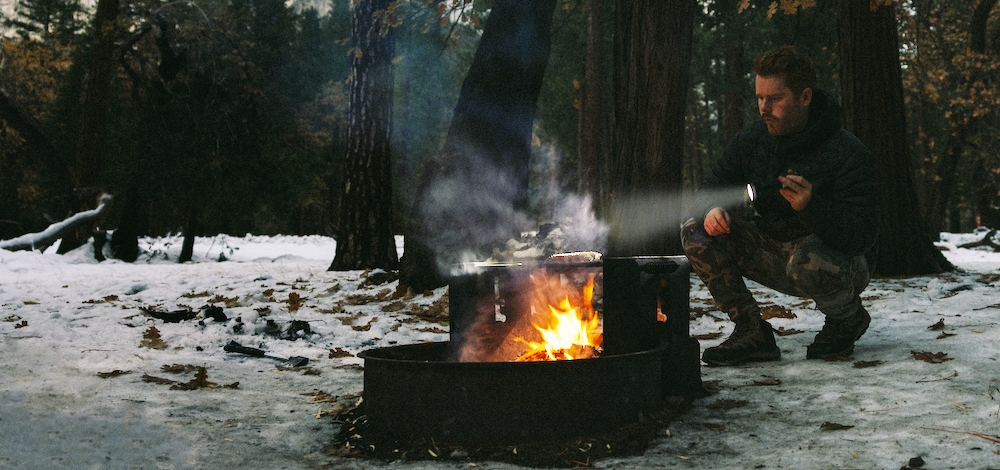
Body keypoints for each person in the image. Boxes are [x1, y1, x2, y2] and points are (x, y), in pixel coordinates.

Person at [681, 46, 879, 366]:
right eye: (759, 98)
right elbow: (710, 189)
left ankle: (846, 319)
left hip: (839, 263)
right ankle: (751, 330)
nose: (764, 107)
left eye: (775, 99)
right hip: (776, 250)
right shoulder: (752, 140)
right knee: (694, 231)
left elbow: (862, 236)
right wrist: (712, 209)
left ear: (804, 97)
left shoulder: (846, 152)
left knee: (807, 260)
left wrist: (811, 207)